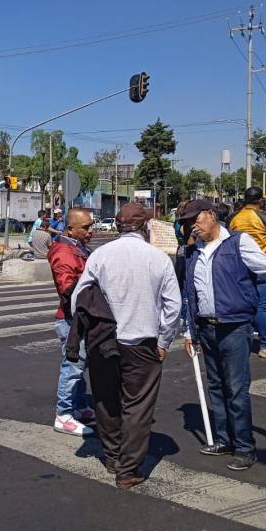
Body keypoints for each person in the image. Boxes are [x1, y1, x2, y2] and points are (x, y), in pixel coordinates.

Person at [179, 199, 266, 472]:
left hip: (234, 326)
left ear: (211, 215)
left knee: (236, 389)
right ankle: (223, 439)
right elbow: (189, 294)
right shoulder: (194, 251)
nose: (193, 227)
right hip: (206, 328)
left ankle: (244, 446)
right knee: (216, 386)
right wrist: (189, 331)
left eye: (196, 220)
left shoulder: (238, 243)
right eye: (187, 223)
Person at [70, 203, 181, 489]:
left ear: (118, 226)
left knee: (106, 401)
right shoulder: (158, 258)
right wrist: (164, 342)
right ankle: (128, 469)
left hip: (103, 340)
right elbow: (173, 307)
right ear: (145, 226)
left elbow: (78, 299)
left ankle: (111, 456)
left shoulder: (100, 255)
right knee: (138, 405)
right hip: (142, 343)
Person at [47, 208, 96, 438]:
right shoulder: (64, 250)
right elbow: (67, 287)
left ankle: (78, 406)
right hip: (71, 318)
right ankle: (63, 414)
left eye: (90, 226)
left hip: (77, 316)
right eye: (85, 227)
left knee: (79, 364)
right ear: (70, 229)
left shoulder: (75, 247)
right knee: (73, 365)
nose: (91, 231)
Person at [227, 187, 266, 359]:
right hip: (261, 267)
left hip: (238, 267)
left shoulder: (233, 218)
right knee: (260, 308)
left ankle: (239, 341)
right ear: (260, 200)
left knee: (241, 306)